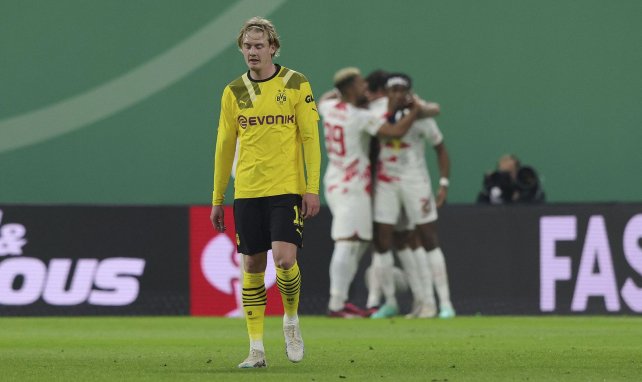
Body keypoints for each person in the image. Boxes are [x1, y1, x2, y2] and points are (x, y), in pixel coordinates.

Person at [210, 16, 321, 369]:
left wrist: (312, 188)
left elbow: (310, 139)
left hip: (286, 187)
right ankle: (256, 349)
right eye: (247, 46)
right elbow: (224, 146)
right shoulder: (234, 92)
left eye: (259, 46)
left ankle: (290, 320)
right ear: (241, 49)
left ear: (273, 48)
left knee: (285, 259)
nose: (253, 52)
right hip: (247, 190)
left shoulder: (295, 83)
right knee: (253, 265)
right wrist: (217, 197)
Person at [319, 67, 421, 318]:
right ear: (351, 88)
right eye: (360, 84)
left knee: (360, 240)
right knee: (346, 242)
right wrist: (416, 110)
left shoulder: (329, 108)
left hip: (336, 179)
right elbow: (395, 131)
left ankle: (341, 299)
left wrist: (352, 94)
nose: (365, 87)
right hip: (351, 185)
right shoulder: (359, 117)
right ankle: (336, 304)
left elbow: (325, 98)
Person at [369, 73, 455, 319]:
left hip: (415, 180)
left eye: (402, 89)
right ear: (386, 92)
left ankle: (445, 303)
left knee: (428, 237)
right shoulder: (377, 113)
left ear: (408, 91)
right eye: (393, 89)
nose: (397, 94)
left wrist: (444, 184)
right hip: (386, 182)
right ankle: (390, 301)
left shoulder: (421, 116)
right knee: (383, 240)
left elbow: (441, 149)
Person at [477, 154, 545, 204]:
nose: (507, 176)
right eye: (503, 173)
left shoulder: (528, 191)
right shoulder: (490, 192)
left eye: (510, 172)